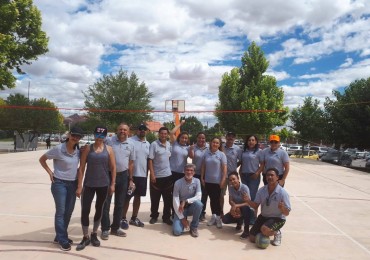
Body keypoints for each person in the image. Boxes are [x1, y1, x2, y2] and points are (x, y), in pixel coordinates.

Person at [39, 126, 84, 251]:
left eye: (78, 136)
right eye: (74, 135)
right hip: (59, 183)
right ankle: (63, 239)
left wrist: (79, 185)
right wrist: (50, 172)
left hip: (73, 184)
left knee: (69, 211)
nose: (75, 138)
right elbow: (42, 159)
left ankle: (59, 235)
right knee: (61, 211)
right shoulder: (58, 149)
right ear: (69, 135)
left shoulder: (78, 151)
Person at [75, 126, 116, 251]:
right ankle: (85, 236)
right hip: (89, 185)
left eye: (102, 135)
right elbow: (81, 168)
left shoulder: (109, 149)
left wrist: (113, 184)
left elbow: (113, 168)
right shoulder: (88, 148)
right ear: (94, 135)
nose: (99, 137)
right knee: (85, 210)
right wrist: (79, 186)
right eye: (97, 135)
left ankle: (94, 234)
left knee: (99, 210)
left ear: (105, 136)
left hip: (103, 184)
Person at [101, 123, 135, 240]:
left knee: (120, 204)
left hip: (123, 176)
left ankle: (115, 228)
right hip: (108, 175)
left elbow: (131, 163)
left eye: (125, 130)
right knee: (106, 203)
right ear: (117, 130)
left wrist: (130, 178)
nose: (122, 131)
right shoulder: (109, 141)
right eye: (120, 129)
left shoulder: (131, 144)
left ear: (128, 132)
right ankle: (105, 229)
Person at [243, 168, 291, 246]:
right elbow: (255, 205)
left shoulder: (282, 193)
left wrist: (282, 208)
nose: (269, 177)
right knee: (252, 238)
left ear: (277, 177)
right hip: (264, 217)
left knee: (264, 230)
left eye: (272, 175)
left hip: (278, 218)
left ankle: (277, 232)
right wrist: (248, 201)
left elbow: (287, 213)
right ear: (265, 177)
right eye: (268, 175)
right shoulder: (262, 190)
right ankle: (266, 231)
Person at [122, 123, 150, 228]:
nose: (142, 131)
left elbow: (148, 160)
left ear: (146, 131)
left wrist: (147, 174)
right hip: (131, 175)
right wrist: (130, 176)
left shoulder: (148, 143)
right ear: (136, 130)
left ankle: (134, 218)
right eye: (140, 129)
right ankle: (123, 218)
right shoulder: (130, 141)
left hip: (142, 176)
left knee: (138, 197)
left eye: (144, 129)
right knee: (127, 198)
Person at [148, 126, 173, 225]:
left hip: (167, 176)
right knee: (155, 199)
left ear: (167, 135)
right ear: (159, 134)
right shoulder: (154, 144)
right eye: (162, 133)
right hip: (156, 176)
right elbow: (150, 160)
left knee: (167, 199)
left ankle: (166, 217)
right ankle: (154, 216)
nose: (163, 135)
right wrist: (152, 174)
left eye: (165, 134)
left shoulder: (169, 144)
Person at [201, 136, 227, 229]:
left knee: (217, 200)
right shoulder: (206, 153)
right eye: (214, 142)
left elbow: (224, 169)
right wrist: (202, 178)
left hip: (217, 182)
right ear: (210, 143)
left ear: (219, 145)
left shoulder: (221, 155)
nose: (215, 144)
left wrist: (223, 180)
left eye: (217, 143)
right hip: (208, 181)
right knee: (212, 200)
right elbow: (203, 166)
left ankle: (219, 218)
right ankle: (213, 216)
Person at [172, 163, 203, 237]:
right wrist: (182, 219)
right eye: (187, 170)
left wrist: (186, 201)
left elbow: (198, 197)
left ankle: (194, 227)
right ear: (184, 171)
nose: (189, 172)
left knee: (199, 204)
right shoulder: (178, 183)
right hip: (180, 208)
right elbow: (175, 201)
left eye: (191, 170)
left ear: (194, 172)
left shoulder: (197, 181)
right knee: (177, 232)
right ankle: (181, 219)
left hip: (191, 206)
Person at [240, 135, 263, 224]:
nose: (251, 142)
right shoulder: (244, 151)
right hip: (244, 176)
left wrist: (257, 173)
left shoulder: (259, 152)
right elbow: (242, 162)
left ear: (256, 142)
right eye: (249, 140)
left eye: (253, 140)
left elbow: (262, 164)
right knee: (244, 197)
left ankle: (252, 218)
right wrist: (240, 171)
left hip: (254, 177)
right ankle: (245, 217)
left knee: (252, 198)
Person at [221, 172, 252, 239]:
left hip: (245, 209)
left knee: (245, 208)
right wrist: (235, 206)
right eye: (230, 180)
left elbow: (248, 203)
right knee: (224, 219)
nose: (232, 181)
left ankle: (246, 231)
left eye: (234, 179)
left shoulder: (244, 188)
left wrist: (236, 206)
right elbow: (230, 200)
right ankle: (239, 221)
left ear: (238, 179)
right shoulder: (231, 188)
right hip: (236, 208)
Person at [189, 132, 208, 221]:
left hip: (205, 175)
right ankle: (194, 210)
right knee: (194, 193)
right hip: (195, 174)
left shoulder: (208, 147)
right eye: (199, 138)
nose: (201, 140)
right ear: (197, 138)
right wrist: (192, 149)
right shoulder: (193, 147)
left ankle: (202, 212)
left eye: (203, 138)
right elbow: (191, 156)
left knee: (204, 194)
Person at [221, 132, 242, 214]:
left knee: (234, 196)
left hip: (232, 177)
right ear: (226, 137)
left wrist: (234, 167)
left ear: (234, 138)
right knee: (221, 195)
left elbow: (240, 160)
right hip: (222, 176)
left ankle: (235, 212)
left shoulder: (237, 149)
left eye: (232, 137)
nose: (230, 138)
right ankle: (221, 212)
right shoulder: (221, 147)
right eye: (229, 136)